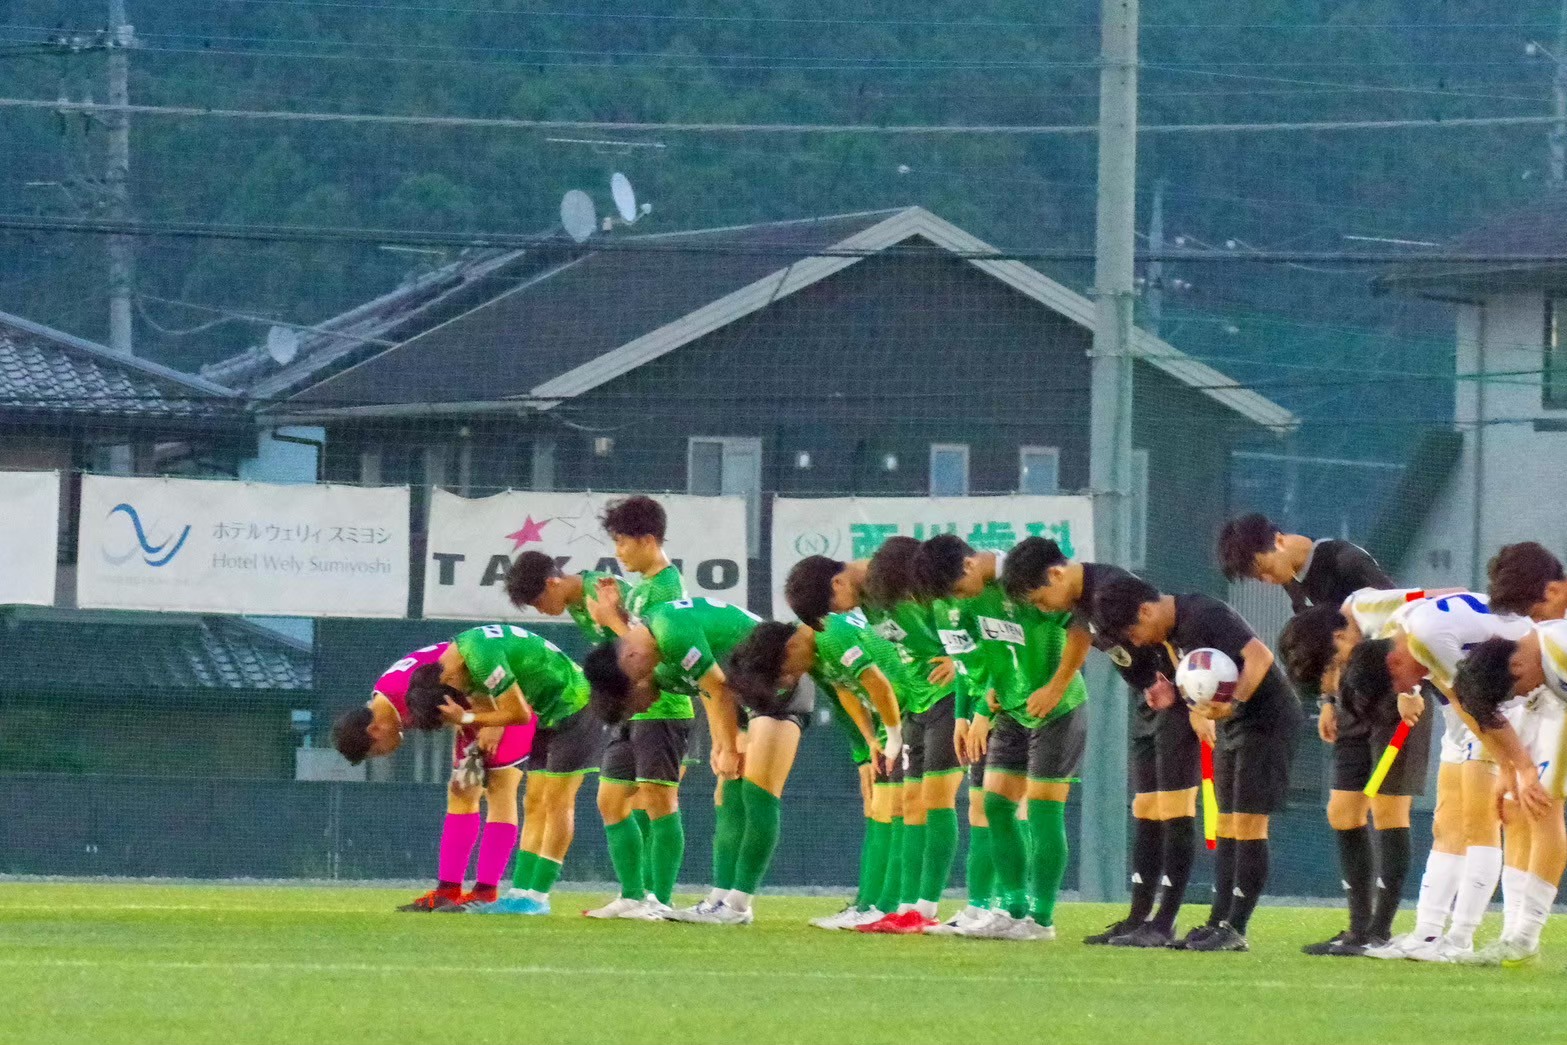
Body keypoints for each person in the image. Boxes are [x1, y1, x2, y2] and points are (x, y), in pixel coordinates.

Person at [1002, 538, 1198, 948]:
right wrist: (1059, 683)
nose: (1043, 609)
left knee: (1173, 809)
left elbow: (1168, 631)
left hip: (1178, 699)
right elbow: (1080, 636)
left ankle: (1165, 921)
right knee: (1145, 807)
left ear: (1056, 574)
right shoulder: (1081, 601)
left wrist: (1189, 696)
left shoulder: (1112, 588)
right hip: (1149, 698)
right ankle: (1139, 917)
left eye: (1040, 598)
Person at [1095, 574, 1305, 952]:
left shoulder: (1205, 614)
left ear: (1146, 611)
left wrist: (1235, 702)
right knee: (1225, 823)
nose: (1136, 643)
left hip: (1266, 719)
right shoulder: (1171, 631)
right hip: (1231, 721)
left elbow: (1260, 656)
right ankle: (1216, 923)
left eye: (1134, 632)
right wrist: (1181, 695)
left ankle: (1236, 928)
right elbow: (1187, 666)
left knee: (1247, 823)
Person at [584, 596, 806, 925]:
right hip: (748, 697)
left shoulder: (670, 630)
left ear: (630, 658)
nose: (641, 687)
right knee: (728, 796)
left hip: (778, 679)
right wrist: (723, 742)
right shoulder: (659, 650)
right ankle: (721, 899)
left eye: (633, 684)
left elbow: (717, 687)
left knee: (758, 794)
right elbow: (711, 690)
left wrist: (726, 745)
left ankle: (739, 904)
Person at [918, 534, 1088, 942]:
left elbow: (1081, 629)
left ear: (969, 565)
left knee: (1043, 812)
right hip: (1010, 708)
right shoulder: (973, 599)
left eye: (957, 589)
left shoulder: (1025, 577)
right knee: (995, 805)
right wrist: (979, 708)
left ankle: (1041, 919)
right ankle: (1011, 910)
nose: (957, 599)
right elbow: (990, 656)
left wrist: (1055, 688)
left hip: (1057, 709)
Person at [506, 548, 690, 920]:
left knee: (654, 800)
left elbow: (650, 642)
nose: (542, 611)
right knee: (610, 800)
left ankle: (659, 900)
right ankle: (632, 896)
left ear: (553, 583)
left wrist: (611, 616)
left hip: (661, 703)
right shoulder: (579, 605)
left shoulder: (603, 591)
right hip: (629, 708)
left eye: (539, 601)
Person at [1364, 590, 1539, 960]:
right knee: (1446, 825)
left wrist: (1509, 762)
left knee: (1479, 825)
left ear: (1395, 660)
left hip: (1505, 703)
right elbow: (1452, 693)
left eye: (1398, 683)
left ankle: (1460, 939)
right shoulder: (1403, 632)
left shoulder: (1427, 637)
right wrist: (1410, 690)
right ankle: (1427, 933)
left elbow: (1472, 699)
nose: (1405, 690)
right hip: (1466, 708)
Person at [719, 613, 907, 930]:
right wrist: (865, 750)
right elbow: (844, 694)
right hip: (893, 720)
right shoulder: (815, 652)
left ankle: (889, 905)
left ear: (789, 649)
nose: (791, 679)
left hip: (912, 709)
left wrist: (893, 737)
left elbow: (878, 684)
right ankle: (868, 904)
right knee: (878, 808)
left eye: (785, 672)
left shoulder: (830, 635)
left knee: (897, 808)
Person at [1277, 588, 1438, 957]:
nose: (1330, 674)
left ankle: (1378, 932)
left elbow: (1425, 619)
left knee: (1387, 809)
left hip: (1399, 701)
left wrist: (1411, 689)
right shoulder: (1328, 625)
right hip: (1355, 703)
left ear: (1340, 636)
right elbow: (1327, 665)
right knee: (1343, 812)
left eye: (1330, 667)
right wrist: (1330, 700)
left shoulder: (1371, 605)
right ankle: (1357, 927)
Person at [405, 624, 602, 915]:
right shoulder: (459, 660)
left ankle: (538, 897)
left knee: (557, 802)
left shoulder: (481, 657)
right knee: (533, 802)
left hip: (576, 705)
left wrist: (468, 717)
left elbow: (519, 714)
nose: (465, 694)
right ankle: (520, 893)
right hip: (548, 712)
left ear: (448, 680)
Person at [331, 643, 532, 913]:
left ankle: (485, 892)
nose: (384, 754)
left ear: (374, 730)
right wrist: (467, 742)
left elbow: (474, 668)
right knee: (460, 791)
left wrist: (495, 722)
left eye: (376, 751)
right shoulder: (388, 702)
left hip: (509, 701)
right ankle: (447, 891)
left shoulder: (403, 691)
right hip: (475, 711)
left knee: (500, 788)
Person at [1454, 616, 1567, 966]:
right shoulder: (1540, 656)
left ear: (1517, 668)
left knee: (1543, 805)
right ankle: (1520, 937)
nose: (1521, 695)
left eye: (1514, 692)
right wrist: (1517, 769)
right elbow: (1537, 711)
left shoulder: (1559, 655)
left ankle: (1524, 938)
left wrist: (1526, 772)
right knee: (1536, 803)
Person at [1218, 513, 1391, 613]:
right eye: (1260, 578)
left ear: (1280, 541)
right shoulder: (1291, 577)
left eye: (1268, 570)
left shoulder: (1347, 561)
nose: (1269, 580)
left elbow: (1401, 601)